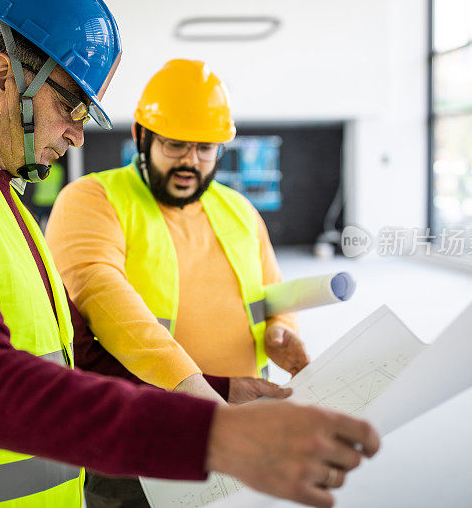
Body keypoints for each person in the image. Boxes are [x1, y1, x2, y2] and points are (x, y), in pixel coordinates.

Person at [0, 0, 379, 507]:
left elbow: (71, 360)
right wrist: (215, 436)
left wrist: (218, 388)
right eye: (71, 107)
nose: (79, 134)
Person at [45, 58, 312, 506]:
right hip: (140, 443)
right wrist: (205, 395)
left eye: (205, 148)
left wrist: (282, 327)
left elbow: (270, 292)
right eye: (175, 145)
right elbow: (107, 302)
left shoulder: (240, 211)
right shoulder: (93, 199)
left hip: (241, 430)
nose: (191, 161)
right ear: (141, 137)